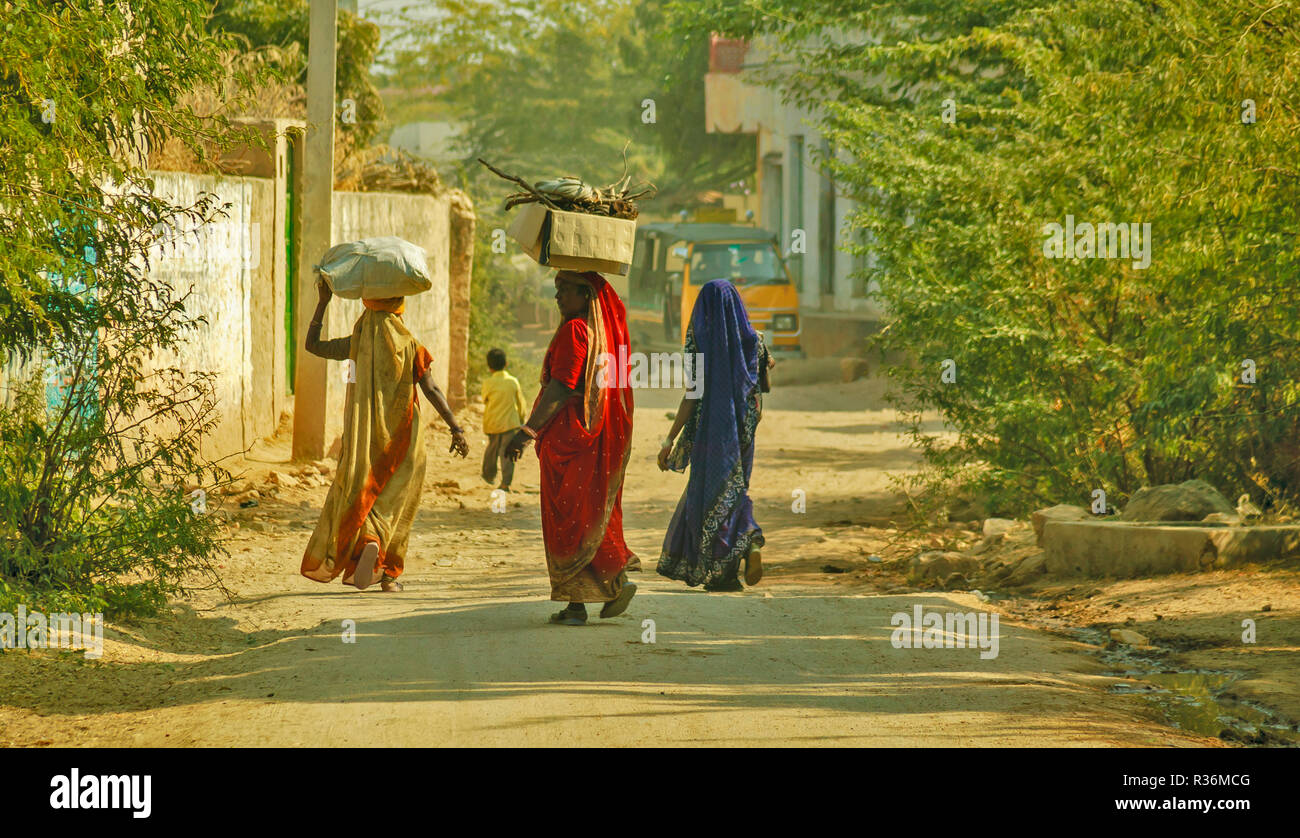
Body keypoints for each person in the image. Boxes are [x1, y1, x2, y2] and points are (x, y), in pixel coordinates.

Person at [300, 281, 469, 592]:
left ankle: (369, 542)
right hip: (406, 439)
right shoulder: (411, 345)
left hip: (365, 442)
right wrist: (455, 428)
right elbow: (431, 389)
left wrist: (323, 302)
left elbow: (313, 345)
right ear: (398, 305)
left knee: (366, 493)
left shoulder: (357, 342)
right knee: (399, 504)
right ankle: (389, 576)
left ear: (369, 306)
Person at [505, 270, 637, 625]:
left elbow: (561, 386)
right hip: (583, 440)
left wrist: (528, 430)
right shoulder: (598, 333)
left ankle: (577, 605)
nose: (557, 297)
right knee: (588, 512)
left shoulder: (576, 331)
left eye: (565, 290)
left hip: (568, 440)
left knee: (569, 520)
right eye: (557, 289)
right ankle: (613, 580)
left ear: (586, 294)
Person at [656, 279, 773, 592]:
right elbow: (762, 389)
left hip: (712, 433)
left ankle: (724, 572)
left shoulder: (700, 343)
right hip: (743, 435)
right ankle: (748, 544)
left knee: (709, 498)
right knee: (734, 492)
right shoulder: (755, 341)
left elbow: (692, 396)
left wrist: (670, 440)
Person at [480, 347, 527, 491]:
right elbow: (521, 404)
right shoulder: (513, 382)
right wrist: (521, 420)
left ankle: (489, 476)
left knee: (492, 450)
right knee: (507, 454)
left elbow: (484, 399)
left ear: (489, 367)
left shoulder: (488, 383)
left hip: (493, 424)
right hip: (510, 424)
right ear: (506, 363)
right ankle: (506, 483)